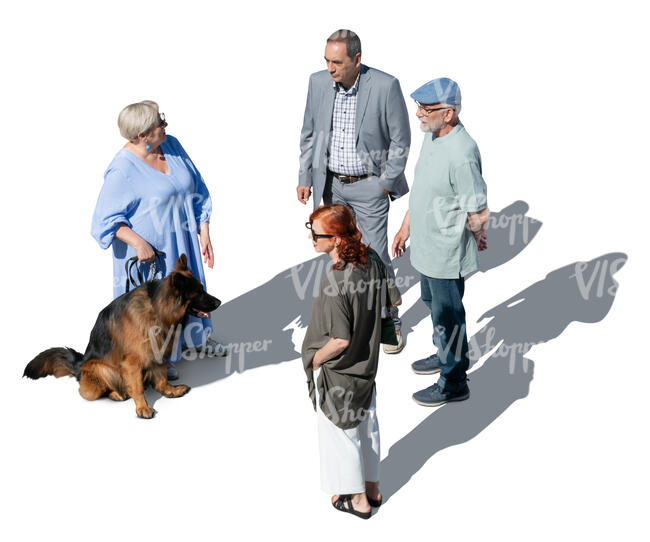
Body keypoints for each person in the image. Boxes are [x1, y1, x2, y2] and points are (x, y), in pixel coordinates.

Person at [91, 100, 227, 379]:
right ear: (142, 136)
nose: (165, 125)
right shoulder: (121, 171)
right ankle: (158, 359)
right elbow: (104, 221)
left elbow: (197, 185)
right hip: (152, 252)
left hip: (182, 241)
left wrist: (204, 228)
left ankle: (197, 339)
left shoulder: (172, 145)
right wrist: (138, 243)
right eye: (159, 122)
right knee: (156, 307)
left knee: (188, 292)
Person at [298, 29, 410, 354]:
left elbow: (401, 140)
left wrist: (386, 182)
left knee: (373, 253)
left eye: (337, 62)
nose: (330, 68)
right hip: (331, 184)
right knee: (341, 254)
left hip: (370, 184)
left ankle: (390, 321)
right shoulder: (318, 83)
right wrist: (306, 175)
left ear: (357, 60)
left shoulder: (386, 86)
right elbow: (308, 133)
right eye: (326, 61)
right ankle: (347, 323)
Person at [392, 78, 489, 406]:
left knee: (448, 316)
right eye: (418, 107)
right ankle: (447, 355)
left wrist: (479, 233)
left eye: (426, 109)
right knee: (434, 307)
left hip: (446, 252)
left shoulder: (462, 153)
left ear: (448, 114)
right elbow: (422, 188)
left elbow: (475, 202)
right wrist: (406, 225)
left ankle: (454, 380)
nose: (418, 114)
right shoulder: (432, 137)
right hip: (426, 246)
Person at [302, 204, 401, 519]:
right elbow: (395, 299)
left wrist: (314, 359)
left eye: (316, 234)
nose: (310, 238)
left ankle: (357, 500)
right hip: (368, 366)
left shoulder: (336, 279)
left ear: (334, 238)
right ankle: (373, 489)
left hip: (342, 371)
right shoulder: (371, 258)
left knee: (342, 432)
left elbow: (340, 340)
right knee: (368, 424)